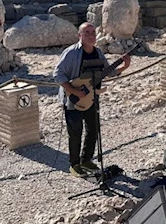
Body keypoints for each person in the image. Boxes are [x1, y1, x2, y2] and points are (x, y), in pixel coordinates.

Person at [53, 23, 130, 177]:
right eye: (86, 32)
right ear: (79, 36)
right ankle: (75, 164)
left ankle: (86, 160)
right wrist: (74, 91)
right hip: (73, 98)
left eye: (93, 32)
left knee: (93, 129)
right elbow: (58, 74)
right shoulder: (71, 53)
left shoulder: (98, 53)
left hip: (92, 97)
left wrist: (124, 66)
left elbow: (107, 72)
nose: (91, 35)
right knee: (75, 132)